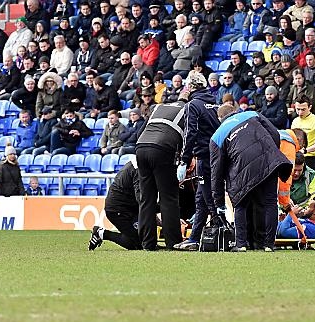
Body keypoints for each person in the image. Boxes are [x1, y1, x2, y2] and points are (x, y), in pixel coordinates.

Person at [211, 105, 293, 252]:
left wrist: (218, 202)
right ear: (235, 111)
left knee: (240, 205)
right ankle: (268, 244)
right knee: (269, 203)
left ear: (220, 119)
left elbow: (216, 171)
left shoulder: (217, 135)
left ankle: (241, 244)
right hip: (269, 161)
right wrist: (269, 151)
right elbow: (275, 133)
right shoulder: (252, 114)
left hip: (241, 169)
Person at [176, 71, 220, 248]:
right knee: (201, 199)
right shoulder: (213, 104)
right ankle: (194, 238)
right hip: (215, 155)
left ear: (191, 87)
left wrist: (184, 160)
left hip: (203, 157)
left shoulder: (193, 105)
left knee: (209, 198)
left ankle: (222, 232)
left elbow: (190, 133)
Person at [136, 100, 188, 251]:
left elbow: (140, 132)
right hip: (162, 147)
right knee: (168, 198)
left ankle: (147, 243)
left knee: (146, 199)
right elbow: (188, 138)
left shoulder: (159, 107)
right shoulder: (188, 110)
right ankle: (173, 242)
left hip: (141, 146)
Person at [89, 160, 142, 251]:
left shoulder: (135, 165)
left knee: (144, 237)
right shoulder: (137, 169)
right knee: (137, 244)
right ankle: (102, 233)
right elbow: (141, 200)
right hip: (118, 209)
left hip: (128, 207)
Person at [290, 95, 315, 172]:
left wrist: (305, 150)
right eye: (298, 109)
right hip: (296, 158)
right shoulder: (295, 121)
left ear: (310, 107)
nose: (300, 112)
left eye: (303, 109)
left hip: (310, 158)